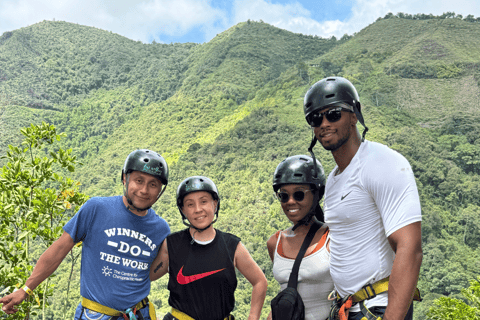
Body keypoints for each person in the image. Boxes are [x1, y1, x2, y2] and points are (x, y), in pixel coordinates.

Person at [303, 76, 423, 320]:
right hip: (350, 308)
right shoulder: (336, 179)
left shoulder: (381, 163)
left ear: (354, 115)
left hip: (377, 308)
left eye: (334, 114)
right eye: (316, 118)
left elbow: (410, 248)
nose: (324, 123)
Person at [0, 149, 170, 320]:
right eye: (138, 181)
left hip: (139, 313)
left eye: (153, 184)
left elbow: (150, 272)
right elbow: (59, 250)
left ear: (160, 190)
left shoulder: (161, 229)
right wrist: (26, 289)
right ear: (125, 179)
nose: (144, 190)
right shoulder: (96, 209)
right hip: (95, 315)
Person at [150, 176, 268, 320]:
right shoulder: (172, 244)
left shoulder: (232, 246)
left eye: (204, 201)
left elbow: (260, 281)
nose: (198, 209)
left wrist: (253, 317)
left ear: (215, 204)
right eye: (190, 204)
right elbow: (148, 276)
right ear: (183, 210)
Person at [266, 155, 334, 320]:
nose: (290, 202)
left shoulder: (332, 237)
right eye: (283, 195)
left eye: (298, 194)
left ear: (317, 194)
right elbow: (286, 290)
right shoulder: (275, 242)